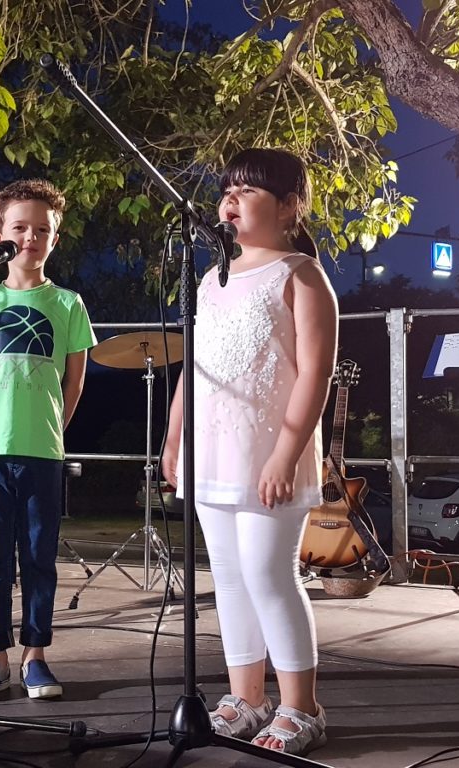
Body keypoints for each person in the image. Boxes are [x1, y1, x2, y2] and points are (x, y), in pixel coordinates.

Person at [161, 148, 338, 755]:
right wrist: (174, 437)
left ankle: (301, 707)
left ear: (289, 206)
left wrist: (286, 454)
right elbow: (194, 367)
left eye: (248, 191)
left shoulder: (301, 275)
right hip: (212, 451)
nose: (230, 200)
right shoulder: (212, 279)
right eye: (227, 190)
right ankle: (247, 697)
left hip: (269, 456)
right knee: (230, 579)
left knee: (269, 574)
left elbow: (316, 373)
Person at [0, 179, 96, 701]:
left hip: (43, 450)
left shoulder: (68, 303)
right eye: (20, 227)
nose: (31, 237)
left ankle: (36, 656)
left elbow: (74, 382)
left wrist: (52, 427)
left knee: (38, 558)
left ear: (55, 239)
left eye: (42, 230)